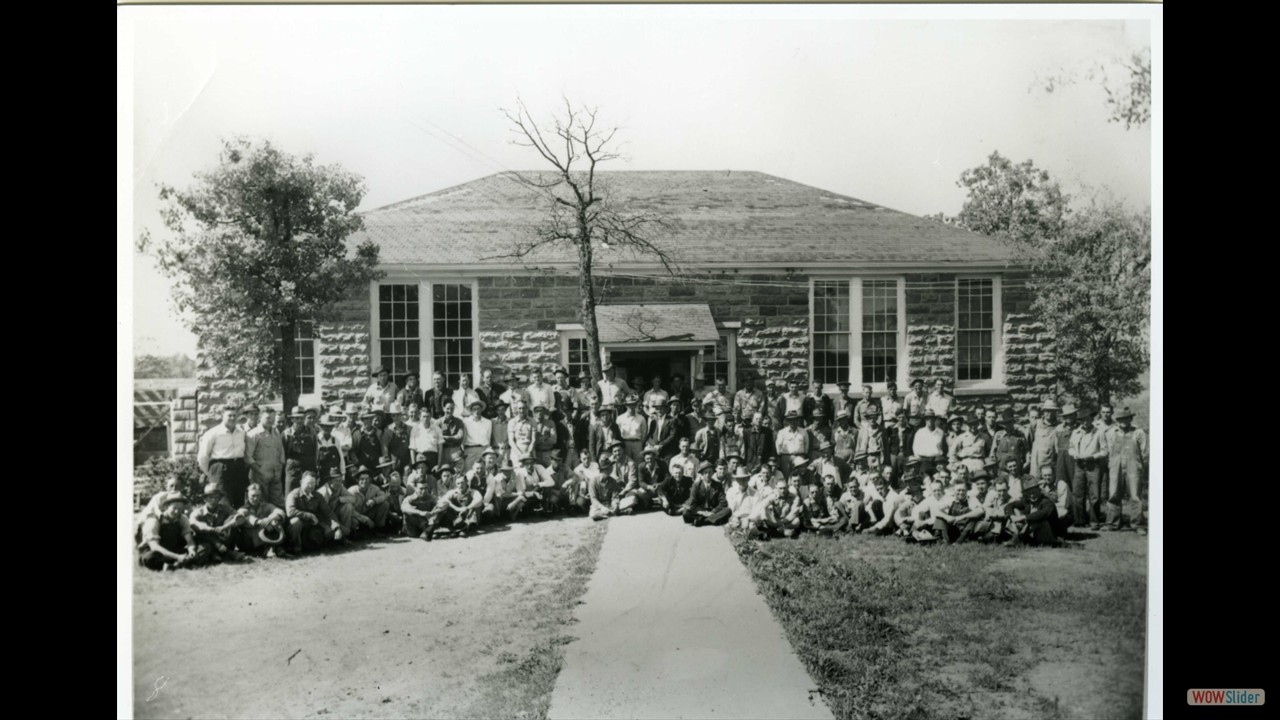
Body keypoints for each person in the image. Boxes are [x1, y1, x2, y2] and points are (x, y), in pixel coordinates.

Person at [1106, 407, 1149, 531]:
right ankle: (1112, 523)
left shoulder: (1138, 432)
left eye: (1126, 418)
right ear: (1117, 420)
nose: (1123, 421)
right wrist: (1113, 464)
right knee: (1113, 494)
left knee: (1135, 495)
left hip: (1133, 467)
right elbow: (1109, 450)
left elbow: (1144, 452)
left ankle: (1138, 524)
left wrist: (1141, 467)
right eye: (1120, 419)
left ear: (1130, 418)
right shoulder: (1111, 432)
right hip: (1116, 466)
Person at [199, 405, 250, 507]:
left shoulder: (241, 432)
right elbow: (203, 456)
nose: (232, 418)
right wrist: (210, 473)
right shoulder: (213, 433)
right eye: (229, 415)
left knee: (240, 500)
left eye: (234, 415)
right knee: (223, 502)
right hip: (220, 469)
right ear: (222, 416)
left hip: (238, 468)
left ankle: (239, 522)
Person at [139, 492, 206, 570]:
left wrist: (191, 550)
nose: (177, 512)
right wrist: (177, 557)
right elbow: (155, 547)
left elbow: (189, 540)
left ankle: (173, 565)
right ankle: (181, 563)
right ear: (166, 507)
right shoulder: (153, 520)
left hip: (175, 549)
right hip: (158, 551)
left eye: (180, 509)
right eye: (174, 508)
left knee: (204, 546)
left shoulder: (183, 518)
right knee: (149, 557)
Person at [1069, 408, 1110, 530]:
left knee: (1094, 494)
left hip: (1093, 465)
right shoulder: (1076, 432)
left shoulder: (1099, 432)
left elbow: (1104, 451)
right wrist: (1074, 454)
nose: (1085, 422)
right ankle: (1080, 520)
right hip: (1079, 465)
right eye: (1082, 420)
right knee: (1077, 493)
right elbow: (1070, 448)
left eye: (1087, 419)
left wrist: (1093, 457)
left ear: (1091, 419)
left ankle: (1094, 521)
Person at [189, 482, 247, 562]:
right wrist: (211, 529)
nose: (214, 500)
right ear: (205, 499)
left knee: (232, 518)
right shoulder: (199, 512)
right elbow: (192, 523)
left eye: (217, 497)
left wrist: (224, 527)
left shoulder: (225, 508)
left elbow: (241, 518)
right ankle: (227, 553)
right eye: (211, 497)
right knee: (198, 529)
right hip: (206, 540)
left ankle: (216, 554)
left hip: (223, 539)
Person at [286, 471, 338, 553]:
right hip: (299, 525)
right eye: (309, 483)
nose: (311, 486)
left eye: (313, 483)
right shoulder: (293, 495)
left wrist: (336, 527)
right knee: (295, 522)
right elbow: (290, 512)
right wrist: (310, 515)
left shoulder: (318, 496)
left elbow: (328, 512)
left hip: (312, 524)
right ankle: (296, 547)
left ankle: (318, 545)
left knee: (330, 532)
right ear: (301, 482)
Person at [245, 406, 287, 508]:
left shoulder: (276, 432)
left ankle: (278, 522)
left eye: (272, 418)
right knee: (260, 503)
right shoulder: (253, 434)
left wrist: (279, 469)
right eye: (268, 418)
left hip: (275, 475)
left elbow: (281, 451)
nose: (271, 421)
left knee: (279, 502)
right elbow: (248, 457)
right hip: (260, 476)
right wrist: (260, 471)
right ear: (260, 418)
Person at [235, 482, 290, 559]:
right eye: (253, 496)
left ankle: (271, 549)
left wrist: (270, 519)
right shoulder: (243, 509)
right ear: (248, 496)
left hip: (263, 540)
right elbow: (242, 518)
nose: (255, 498)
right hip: (248, 542)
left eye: (258, 496)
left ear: (261, 496)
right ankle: (271, 549)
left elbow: (280, 512)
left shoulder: (266, 506)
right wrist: (261, 522)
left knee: (275, 522)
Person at [1003, 477, 1060, 547]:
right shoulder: (1026, 501)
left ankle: (1018, 539)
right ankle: (1018, 537)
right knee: (1015, 510)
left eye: (1034, 492)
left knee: (1039, 521)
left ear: (1039, 491)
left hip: (1050, 536)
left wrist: (1022, 517)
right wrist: (1012, 516)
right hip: (1033, 534)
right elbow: (1009, 506)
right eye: (1029, 493)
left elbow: (1041, 514)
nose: (1032, 495)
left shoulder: (1047, 502)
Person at [431, 468, 483, 538]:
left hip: (468, 515)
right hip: (457, 516)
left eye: (462, 483)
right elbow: (442, 501)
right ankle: (454, 529)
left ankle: (462, 529)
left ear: (466, 482)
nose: (460, 485)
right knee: (443, 509)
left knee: (474, 508)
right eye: (458, 483)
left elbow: (479, 500)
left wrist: (467, 508)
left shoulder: (473, 492)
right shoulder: (453, 492)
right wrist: (452, 505)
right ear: (456, 484)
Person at [482, 451, 528, 523]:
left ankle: (511, 516)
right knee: (493, 507)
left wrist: (514, 502)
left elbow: (521, 492)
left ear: (512, 470)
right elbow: (501, 494)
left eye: (509, 470)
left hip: (510, 500)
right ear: (501, 471)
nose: (507, 473)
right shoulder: (497, 478)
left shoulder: (516, 476)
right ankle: (501, 515)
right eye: (504, 471)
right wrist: (517, 495)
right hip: (500, 503)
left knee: (520, 503)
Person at [282, 406, 318, 498]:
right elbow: (283, 453)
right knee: (290, 494)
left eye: (302, 418)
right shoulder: (286, 433)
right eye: (297, 418)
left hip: (307, 467)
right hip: (292, 469)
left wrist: (314, 468)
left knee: (307, 494)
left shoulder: (311, 432)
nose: (300, 421)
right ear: (292, 419)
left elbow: (315, 451)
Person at [681, 460, 729, 526]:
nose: (707, 475)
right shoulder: (696, 485)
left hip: (712, 510)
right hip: (700, 511)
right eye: (705, 472)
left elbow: (723, 502)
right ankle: (711, 520)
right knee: (686, 513)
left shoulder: (718, 485)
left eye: (710, 472)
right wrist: (703, 512)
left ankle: (704, 521)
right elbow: (692, 502)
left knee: (728, 510)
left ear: (713, 473)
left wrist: (712, 512)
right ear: (702, 474)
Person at [349, 468, 391, 532]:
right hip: (357, 516)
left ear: (370, 479)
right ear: (357, 480)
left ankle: (378, 529)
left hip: (369, 514)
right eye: (362, 479)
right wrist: (364, 518)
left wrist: (374, 500)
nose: (364, 481)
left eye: (367, 479)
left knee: (385, 504)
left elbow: (384, 496)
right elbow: (350, 511)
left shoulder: (373, 488)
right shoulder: (352, 491)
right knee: (354, 522)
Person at [401, 471, 440, 540]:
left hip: (427, 524)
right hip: (413, 529)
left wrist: (433, 513)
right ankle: (427, 531)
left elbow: (441, 504)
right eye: (421, 489)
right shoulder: (410, 498)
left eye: (425, 488)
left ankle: (427, 531)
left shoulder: (431, 497)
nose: (424, 491)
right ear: (415, 488)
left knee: (440, 511)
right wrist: (420, 512)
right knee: (408, 512)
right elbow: (403, 508)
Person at [1028, 399, 1060, 478]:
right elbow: (1029, 442)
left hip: (1051, 462)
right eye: (1047, 411)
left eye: (1052, 411)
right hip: (1037, 463)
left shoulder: (1059, 426)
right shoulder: (1036, 424)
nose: (1049, 413)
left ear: (1055, 412)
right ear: (1043, 412)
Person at [436, 400, 465, 470]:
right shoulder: (437, 422)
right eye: (447, 408)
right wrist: (452, 438)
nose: (450, 411)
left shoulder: (459, 422)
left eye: (452, 409)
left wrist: (444, 437)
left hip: (455, 450)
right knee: (443, 473)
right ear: (443, 408)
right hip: (442, 451)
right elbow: (436, 438)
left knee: (458, 473)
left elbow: (459, 437)